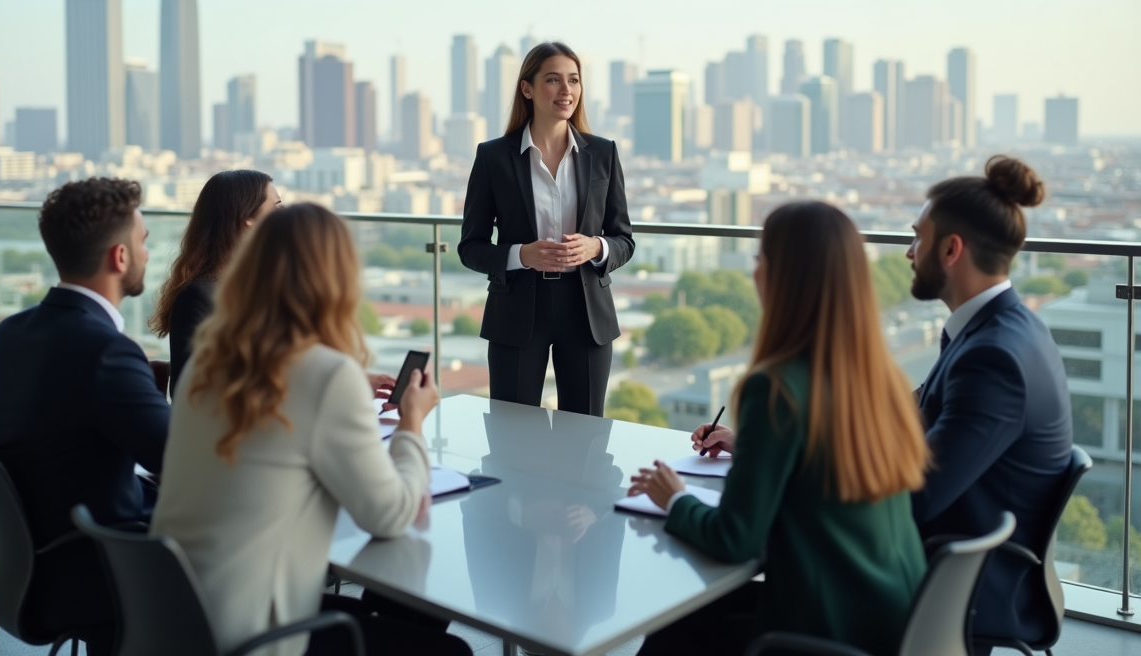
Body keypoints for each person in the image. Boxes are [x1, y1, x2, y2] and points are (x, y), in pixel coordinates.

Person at [150, 203, 471, 656]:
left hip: (177, 618)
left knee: (416, 608)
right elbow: (390, 514)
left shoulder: (210, 359)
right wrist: (412, 420)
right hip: (252, 636)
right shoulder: (325, 376)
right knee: (448, 650)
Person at [628, 201, 929, 656]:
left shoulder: (775, 388)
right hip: (899, 619)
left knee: (672, 632)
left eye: (759, 259)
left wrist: (676, 499)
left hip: (824, 632)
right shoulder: (880, 376)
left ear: (782, 277)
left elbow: (735, 540)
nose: (755, 272)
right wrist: (751, 447)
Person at [0, 177, 170, 654]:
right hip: (99, 571)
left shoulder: (12, 333)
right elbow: (179, 461)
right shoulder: (106, 351)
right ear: (120, 257)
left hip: (29, 563)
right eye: (143, 242)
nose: (148, 254)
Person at [908, 155, 1073, 650]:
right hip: (965, 560)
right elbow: (905, 419)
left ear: (951, 249)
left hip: (964, 587)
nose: (909, 252)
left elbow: (917, 498)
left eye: (917, 236)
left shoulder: (993, 359)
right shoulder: (999, 329)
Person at [458, 41, 634, 416]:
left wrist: (596, 247)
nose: (566, 90)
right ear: (528, 88)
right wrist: (521, 255)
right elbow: (470, 246)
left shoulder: (603, 153)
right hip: (518, 309)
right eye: (553, 80)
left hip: (586, 311)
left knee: (584, 438)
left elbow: (623, 239)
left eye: (573, 80)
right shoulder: (493, 157)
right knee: (512, 434)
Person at [150, 169, 281, 393]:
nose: (283, 216)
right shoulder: (198, 298)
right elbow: (191, 391)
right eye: (276, 207)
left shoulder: (260, 287)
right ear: (248, 219)